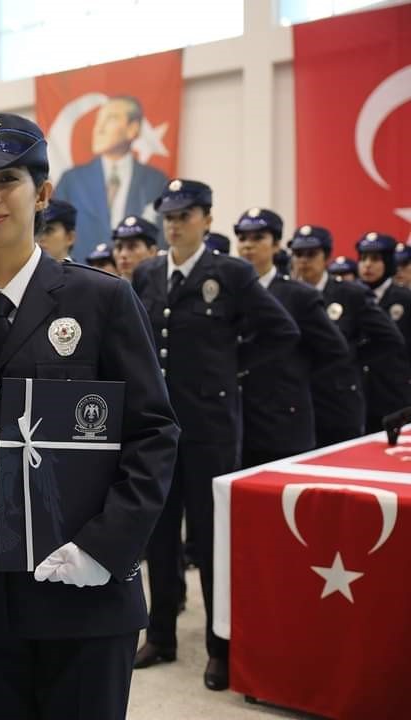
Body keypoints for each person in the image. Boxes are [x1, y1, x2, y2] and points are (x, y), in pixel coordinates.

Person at [0, 113, 178, 720]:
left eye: (8, 179)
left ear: (42, 193)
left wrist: (107, 548)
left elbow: (152, 434)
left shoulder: (101, 300)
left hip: (85, 587)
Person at [131, 179, 299, 691]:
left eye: (185, 215)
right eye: (169, 216)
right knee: (158, 535)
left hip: (211, 429)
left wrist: (233, 373)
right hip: (159, 428)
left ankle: (220, 646)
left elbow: (282, 331)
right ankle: (160, 634)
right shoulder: (147, 273)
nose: (175, 224)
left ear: (206, 219)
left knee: (209, 541)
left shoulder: (229, 272)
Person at [234, 208, 349, 466]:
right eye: (243, 238)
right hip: (237, 416)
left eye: (258, 238)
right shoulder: (228, 290)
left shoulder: (298, 295)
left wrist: (295, 378)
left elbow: (335, 350)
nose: (248, 246)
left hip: (282, 419)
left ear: (275, 245)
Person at [290, 225, 410, 437]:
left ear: (326, 256)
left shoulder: (348, 293)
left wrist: (351, 357)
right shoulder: (285, 293)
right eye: (298, 254)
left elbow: (389, 338)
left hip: (339, 399)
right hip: (295, 399)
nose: (303, 260)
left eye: (311, 253)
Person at [53, 96, 168, 261]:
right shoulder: (71, 181)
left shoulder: (155, 182)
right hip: (82, 279)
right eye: (98, 120)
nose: (99, 128)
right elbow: (56, 236)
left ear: (133, 129)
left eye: (110, 119)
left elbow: (163, 239)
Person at [355, 231, 411, 427]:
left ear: (388, 262)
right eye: (362, 258)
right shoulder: (349, 296)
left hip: (395, 394)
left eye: (375, 259)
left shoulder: (405, 298)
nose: (367, 265)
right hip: (357, 394)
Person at [111, 215, 159, 281]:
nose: (123, 254)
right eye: (119, 247)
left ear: (152, 252)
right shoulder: (107, 289)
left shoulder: (167, 287)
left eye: (132, 247)